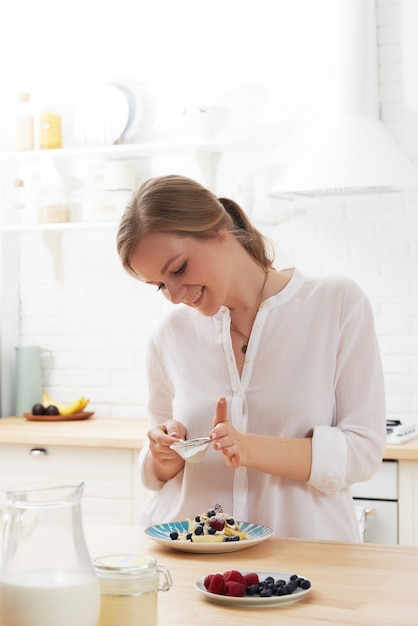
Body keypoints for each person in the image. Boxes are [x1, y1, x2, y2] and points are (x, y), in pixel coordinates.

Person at [116, 174, 386, 541]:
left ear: (217, 231)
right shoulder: (170, 337)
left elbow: (363, 450)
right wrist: (163, 457)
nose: (175, 295)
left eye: (178, 269)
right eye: (160, 285)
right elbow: (156, 469)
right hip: (193, 564)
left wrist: (249, 447)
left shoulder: (335, 304)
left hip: (306, 563)